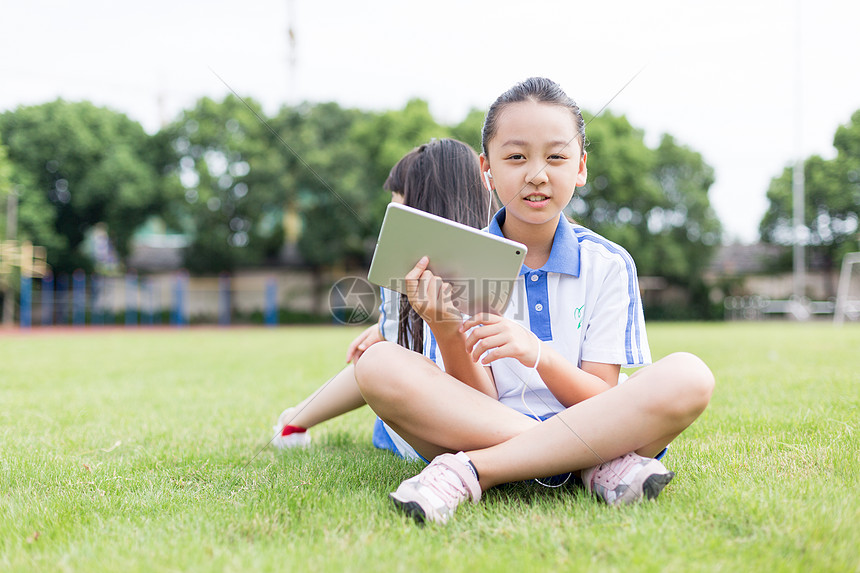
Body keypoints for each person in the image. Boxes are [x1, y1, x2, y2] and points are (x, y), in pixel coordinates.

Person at [353, 77, 715, 524]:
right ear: (487, 169)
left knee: (690, 376)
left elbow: (598, 395)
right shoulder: (455, 260)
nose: (537, 174)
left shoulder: (609, 264)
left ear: (580, 166)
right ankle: (594, 465)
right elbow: (474, 402)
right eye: (516, 157)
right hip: (503, 428)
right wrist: (446, 328)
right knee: (376, 364)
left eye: (557, 157)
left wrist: (536, 353)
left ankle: (472, 470)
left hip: (552, 430)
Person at [272, 138, 493, 457]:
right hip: (427, 423)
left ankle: (293, 421)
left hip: (461, 416)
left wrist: (386, 330)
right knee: (381, 359)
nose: (391, 219)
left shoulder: (416, 266)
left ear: (422, 206)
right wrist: (387, 328)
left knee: (382, 356)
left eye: (397, 202)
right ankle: (293, 422)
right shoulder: (411, 272)